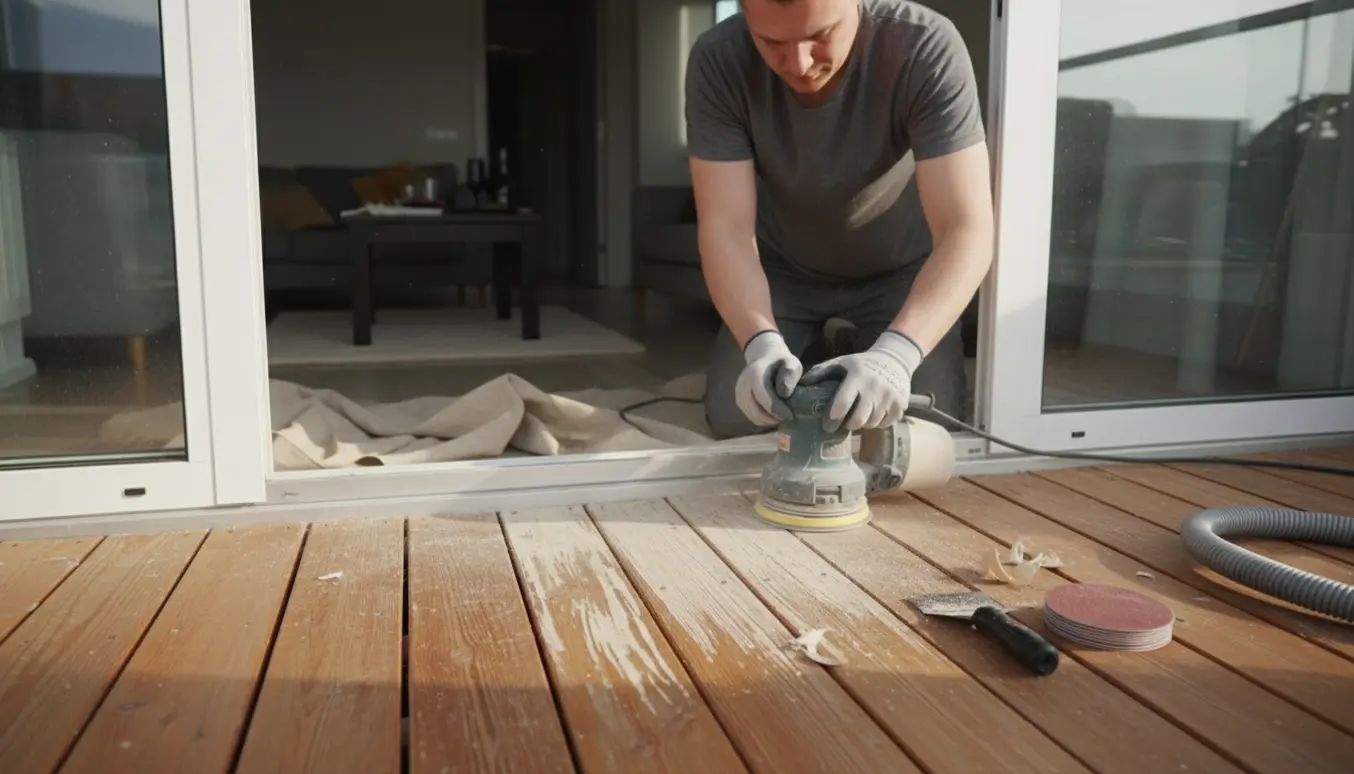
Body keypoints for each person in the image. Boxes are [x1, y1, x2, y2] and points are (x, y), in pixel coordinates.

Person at [685, 0, 994, 439]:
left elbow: (967, 227)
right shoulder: (718, 59)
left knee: (923, 426)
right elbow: (725, 229)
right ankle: (825, 352)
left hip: (901, 271)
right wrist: (761, 343)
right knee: (737, 416)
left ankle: (853, 350)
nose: (800, 63)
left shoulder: (924, 45)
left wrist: (896, 355)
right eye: (771, 42)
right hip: (783, 273)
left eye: (820, 35)